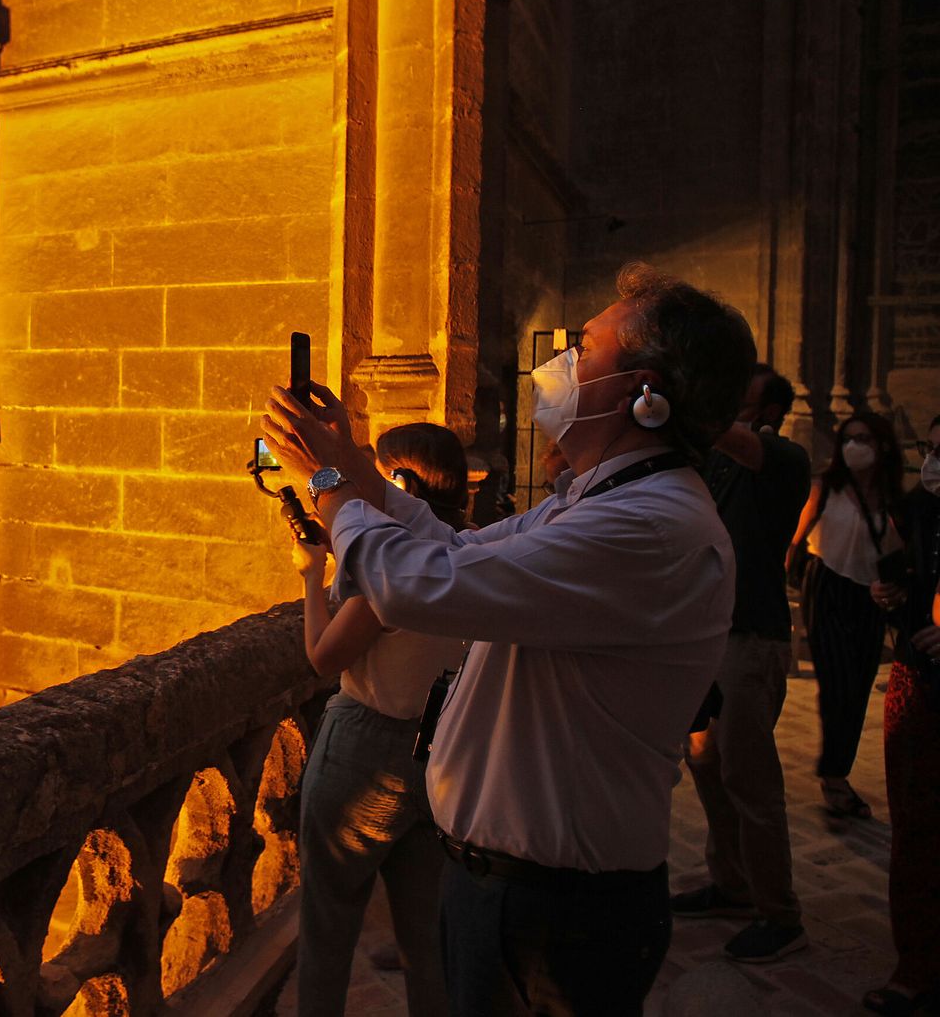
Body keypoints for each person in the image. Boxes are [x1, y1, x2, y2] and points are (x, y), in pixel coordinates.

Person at [262, 262, 755, 1015]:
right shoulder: (598, 501)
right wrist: (355, 463)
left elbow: (415, 583)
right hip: (514, 887)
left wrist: (326, 479)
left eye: (582, 352)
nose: (557, 368)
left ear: (642, 392)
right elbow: (454, 547)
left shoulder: (645, 527)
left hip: (554, 912)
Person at [293, 423, 467, 1017]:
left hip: (365, 749)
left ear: (400, 481)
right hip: (441, 753)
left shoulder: (391, 575)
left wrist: (311, 577)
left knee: (327, 924)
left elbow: (323, 656)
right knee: (428, 938)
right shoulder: (469, 552)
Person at [672, 364, 811, 962]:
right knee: (707, 763)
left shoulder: (781, 457)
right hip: (705, 635)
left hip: (752, 636)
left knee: (751, 778)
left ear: (768, 413)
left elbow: (735, 439)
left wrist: (686, 401)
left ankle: (780, 914)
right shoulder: (717, 460)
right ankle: (731, 884)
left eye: (741, 401)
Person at [786, 412, 906, 818]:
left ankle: (839, 770)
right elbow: (795, 540)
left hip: (869, 594)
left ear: (882, 445)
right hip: (828, 586)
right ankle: (834, 778)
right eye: (849, 438)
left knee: (858, 688)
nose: (855, 446)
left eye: (864, 438)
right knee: (837, 685)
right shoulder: (826, 487)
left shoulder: (892, 498)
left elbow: (901, 554)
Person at [863, 416, 940, 1016]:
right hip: (919, 680)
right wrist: (892, 597)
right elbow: (906, 579)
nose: (932, 462)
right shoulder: (916, 511)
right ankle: (915, 963)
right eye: (928, 449)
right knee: (915, 830)